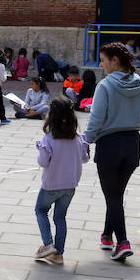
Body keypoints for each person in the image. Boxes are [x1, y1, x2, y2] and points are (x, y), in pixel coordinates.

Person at [85, 42, 140, 261]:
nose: (101, 64)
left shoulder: (105, 86)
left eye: (103, 60)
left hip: (109, 145)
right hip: (132, 143)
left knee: (112, 195)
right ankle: (107, 236)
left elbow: (96, 119)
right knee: (115, 194)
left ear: (115, 61)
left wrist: (86, 140)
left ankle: (122, 242)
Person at [33, 96, 90, 265]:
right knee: (60, 217)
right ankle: (59, 254)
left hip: (50, 185)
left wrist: (41, 150)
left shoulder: (49, 139)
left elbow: (43, 162)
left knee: (41, 210)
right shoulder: (77, 138)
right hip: (70, 186)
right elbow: (84, 158)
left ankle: (48, 244)